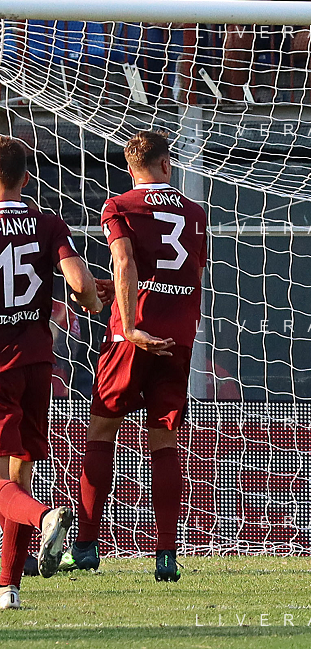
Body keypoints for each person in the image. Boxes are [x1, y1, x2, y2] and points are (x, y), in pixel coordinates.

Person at [59, 132, 208, 583]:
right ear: (167, 165)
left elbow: (125, 262)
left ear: (130, 168)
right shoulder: (195, 212)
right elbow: (188, 273)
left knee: (102, 430)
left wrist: (129, 323)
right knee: (164, 441)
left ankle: (86, 546)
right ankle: (166, 555)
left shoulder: (119, 205)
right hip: (176, 337)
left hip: (131, 336)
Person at [0, 137, 106, 610]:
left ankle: (44, 518)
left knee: (4, 485)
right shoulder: (47, 222)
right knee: (18, 472)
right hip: (37, 362)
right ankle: (9, 589)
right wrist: (93, 302)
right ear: (26, 178)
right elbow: (79, 284)